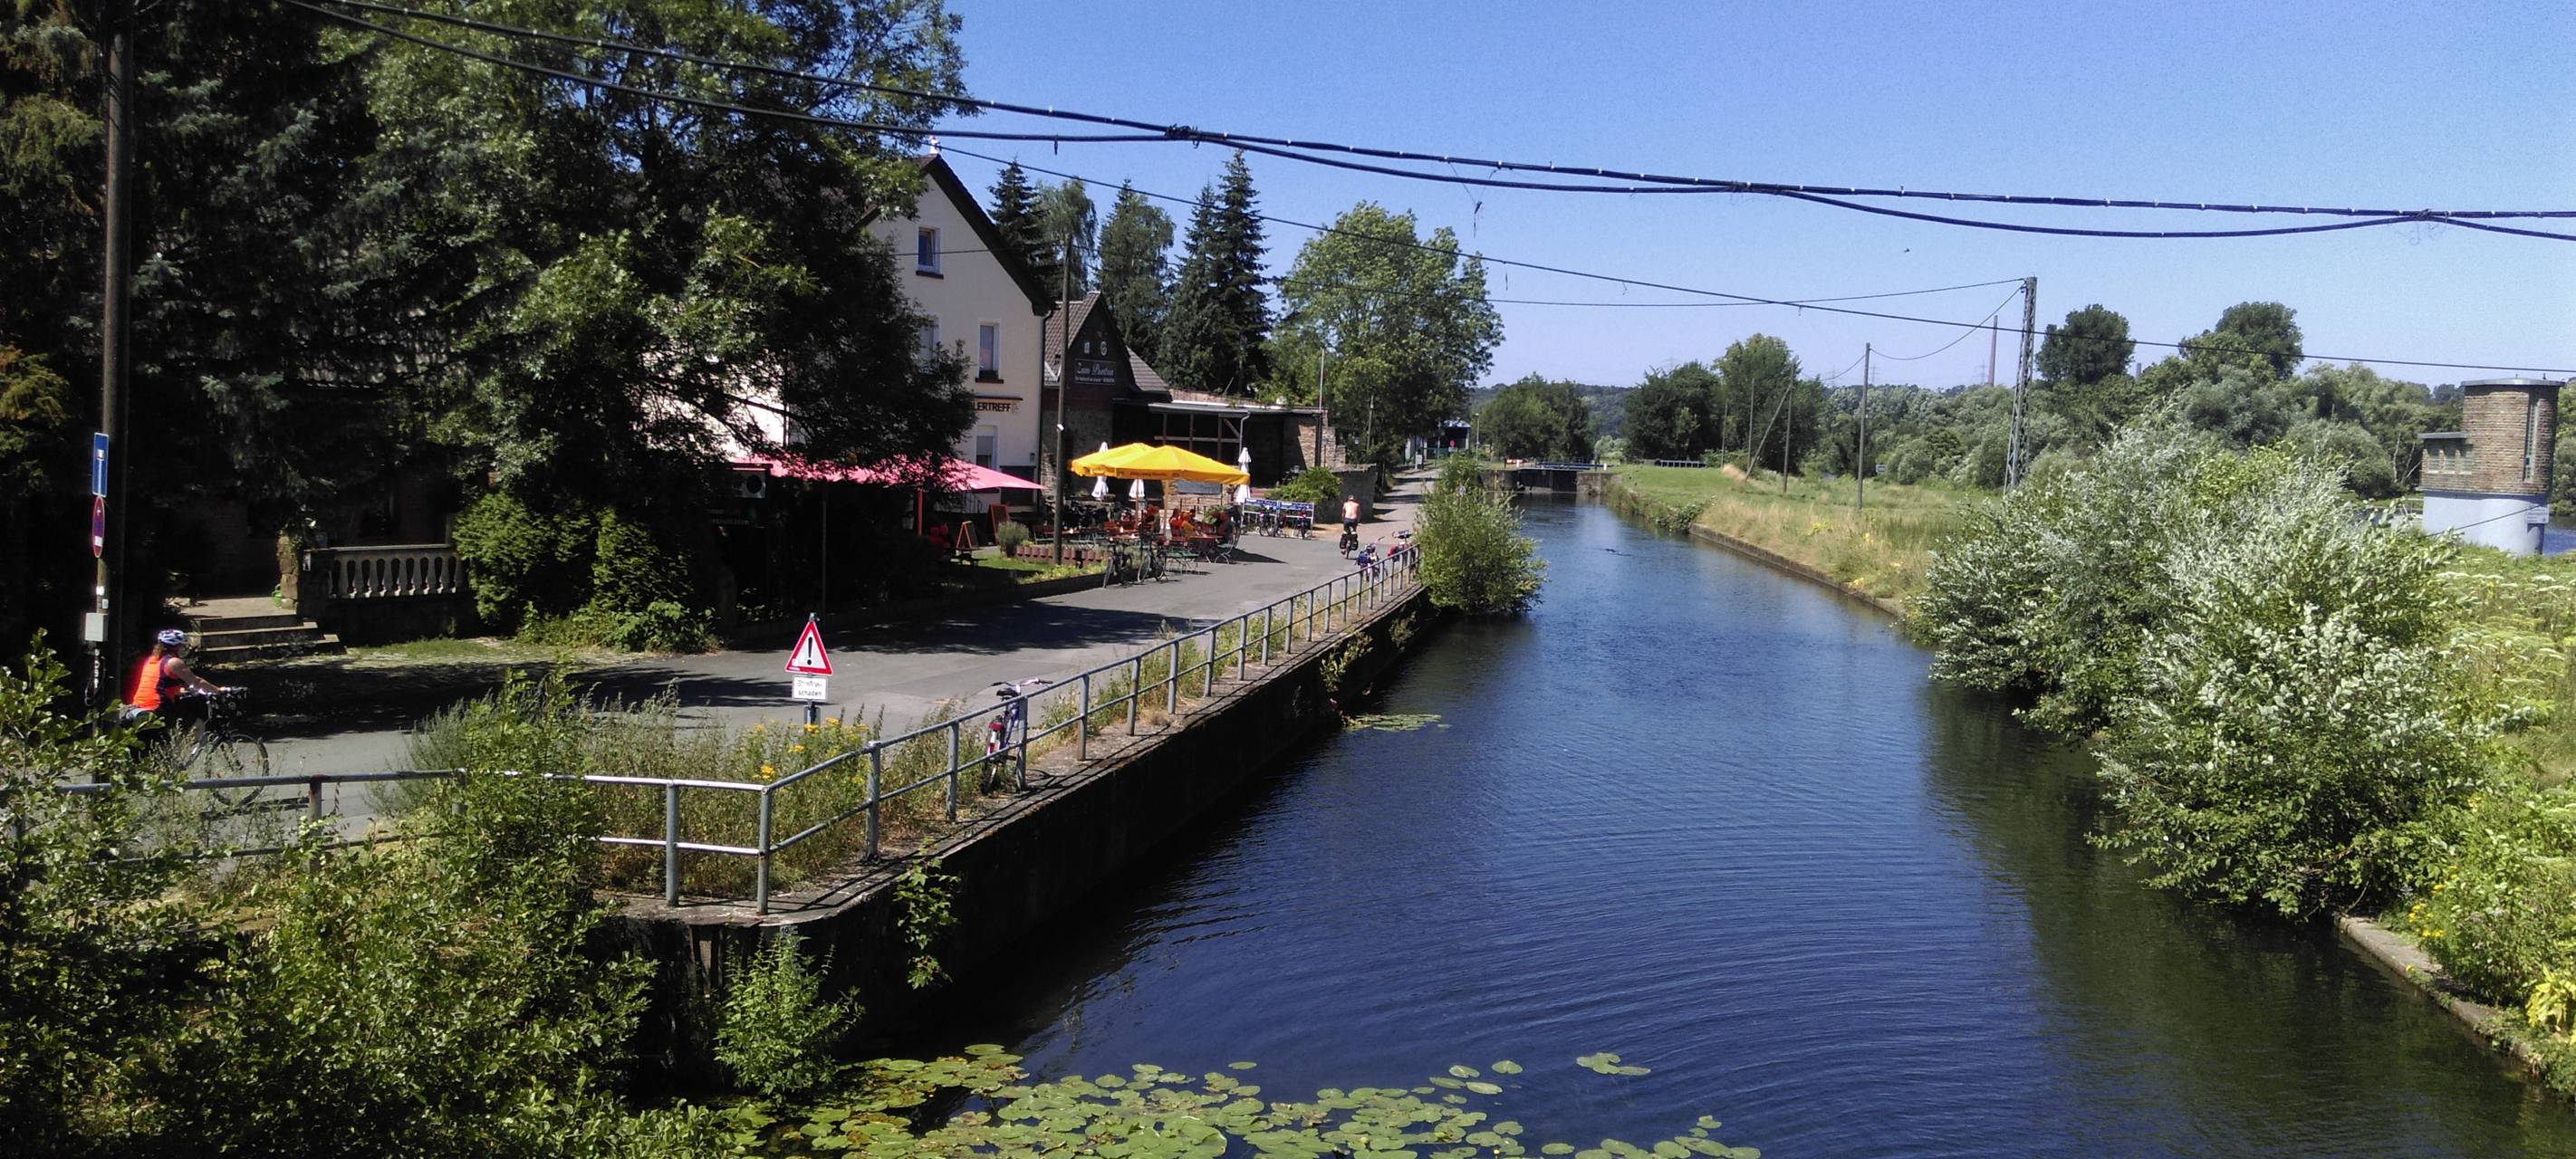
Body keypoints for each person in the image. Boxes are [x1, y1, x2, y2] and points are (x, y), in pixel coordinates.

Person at [127, 627, 223, 722]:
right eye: (183, 646)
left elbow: (159, 683)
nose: (184, 649)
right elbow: (196, 681)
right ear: (176, 647)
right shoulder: (174, 662)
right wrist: (219, 691)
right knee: (198, 725)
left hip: (139, 706)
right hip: (157, 707)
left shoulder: (151, 660)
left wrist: (179, 690)